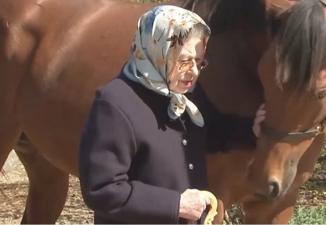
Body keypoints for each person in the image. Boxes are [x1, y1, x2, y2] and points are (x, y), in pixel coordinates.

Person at [79, 5, 257, 224]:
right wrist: (177, 205)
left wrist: (253, 128)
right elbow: (102, 190)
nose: (193, 71)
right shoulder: (115, 104)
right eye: (184, 60)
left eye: (200, 62)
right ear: (158, 51)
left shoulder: (185, 94)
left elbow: (211, 133)